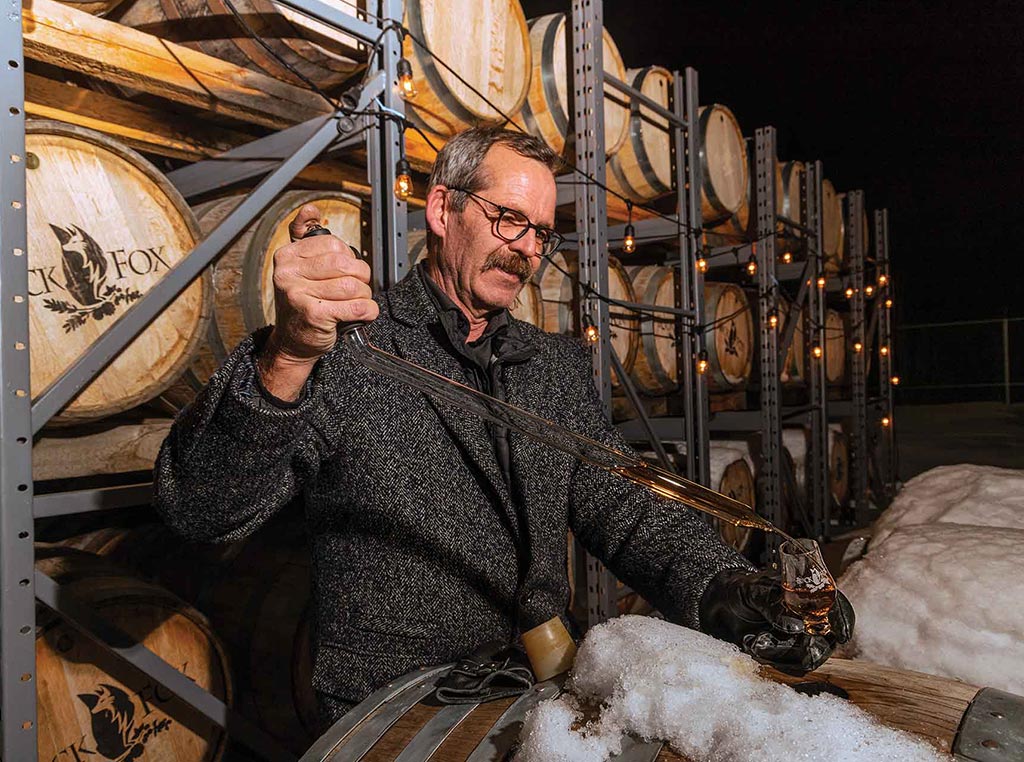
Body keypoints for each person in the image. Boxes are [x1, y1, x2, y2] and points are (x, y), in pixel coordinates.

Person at [154, 127, 852, 725]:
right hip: (398, 711)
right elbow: (204, 511)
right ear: (442, 209)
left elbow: (626, 504)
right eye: (507, 218)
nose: (526, 249)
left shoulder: (551, 365)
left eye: (541, 232)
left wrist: (727, 587)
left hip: (542, 695)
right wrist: (287, 355)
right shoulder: (350, 349)